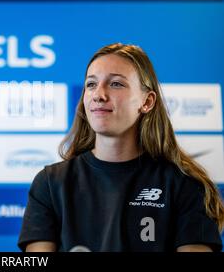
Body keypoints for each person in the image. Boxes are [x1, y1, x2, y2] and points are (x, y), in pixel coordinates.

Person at [18, 43, 224, 252]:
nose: (99, 94)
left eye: (116, 84)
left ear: (147, 101)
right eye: (91, 84)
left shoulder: (184, 185)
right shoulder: (50, 184)